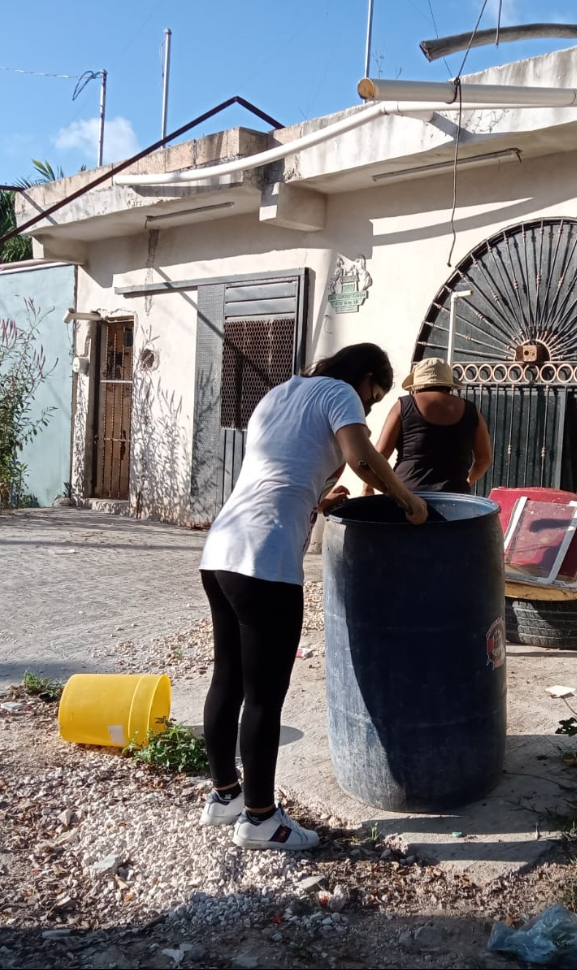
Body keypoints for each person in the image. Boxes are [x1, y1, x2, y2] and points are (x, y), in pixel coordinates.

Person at [197, 343, 429, 852]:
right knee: (263, 694)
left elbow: (276, 469)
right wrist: (406, 498)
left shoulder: (280, 393)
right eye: (375, 396)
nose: (367, 407)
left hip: (220, 551)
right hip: (265, 560)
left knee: (228, 680)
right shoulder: (340, 392)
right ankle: (261, 820)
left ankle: (225, 797)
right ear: (366, 376)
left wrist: (317, 500)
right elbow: (361, 457)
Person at [363, 357, 493, 497]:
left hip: (407, 496)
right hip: (454, 498)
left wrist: (367, 488)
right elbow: (484, 459)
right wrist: (467, 481)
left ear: (417, 385)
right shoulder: (472, 411)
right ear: (449, 385)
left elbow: (379, 453)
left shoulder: (404, 406)